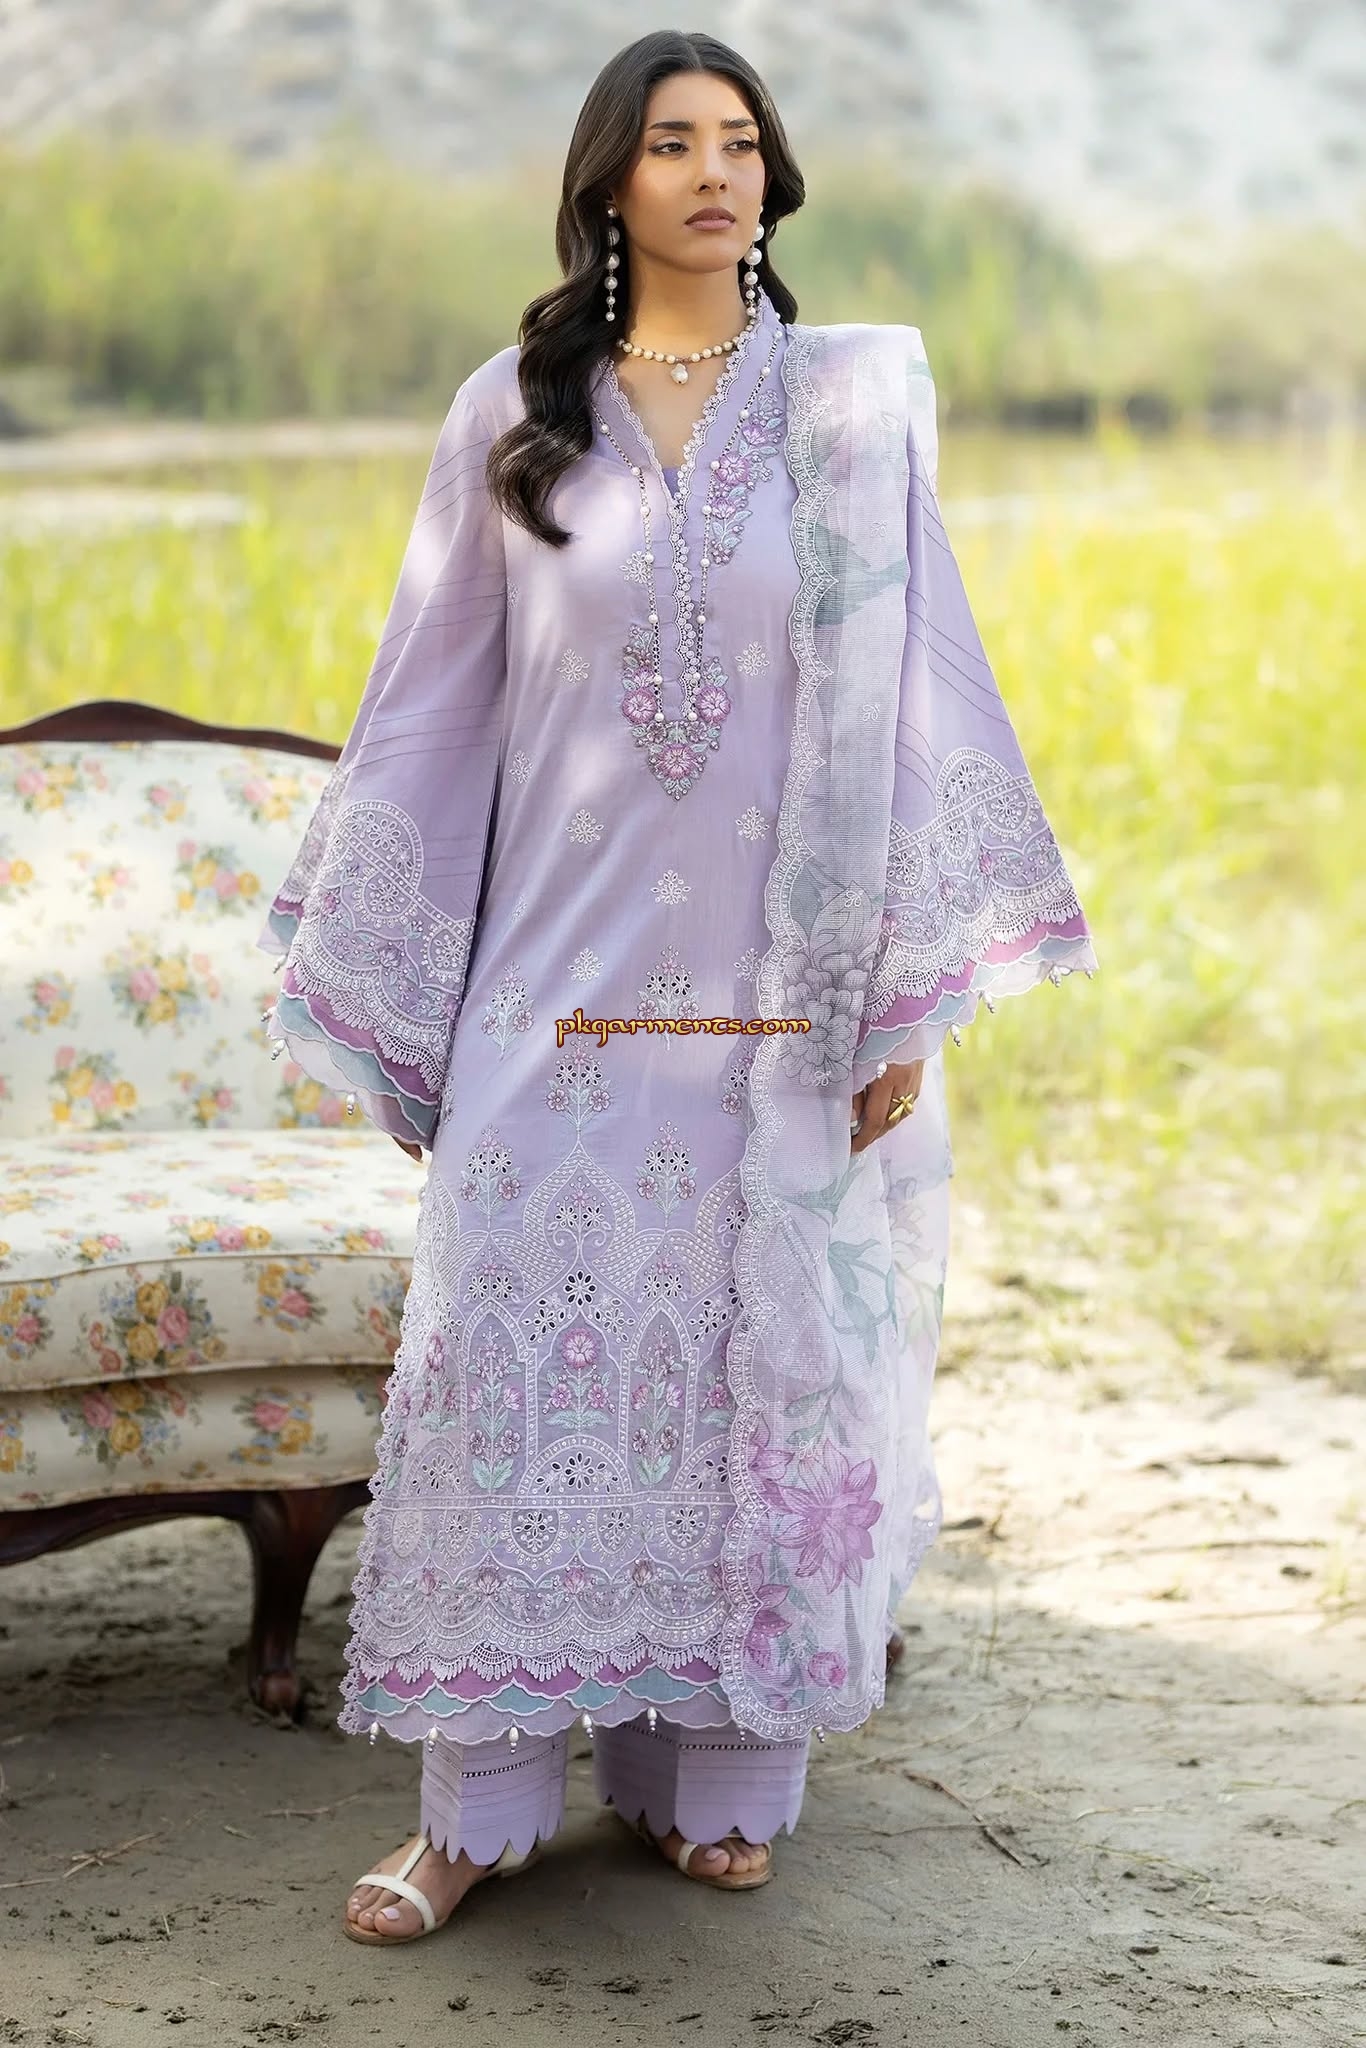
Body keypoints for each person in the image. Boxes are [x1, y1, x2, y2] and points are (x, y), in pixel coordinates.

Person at [257, 29, 1096, 1944]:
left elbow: (926, 697)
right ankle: (474, 1812)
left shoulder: (850, 415)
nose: (715, 173)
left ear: (771, 181)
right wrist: (408, 998)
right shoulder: (514, 410)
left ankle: (707, 1783)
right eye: (671, 143)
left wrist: (896, 1001)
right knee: (502, 1374)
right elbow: (427, 711)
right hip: (547, 1006)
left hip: (770, 1005)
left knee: (740, 1388)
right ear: (608, 185)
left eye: (739, 143)